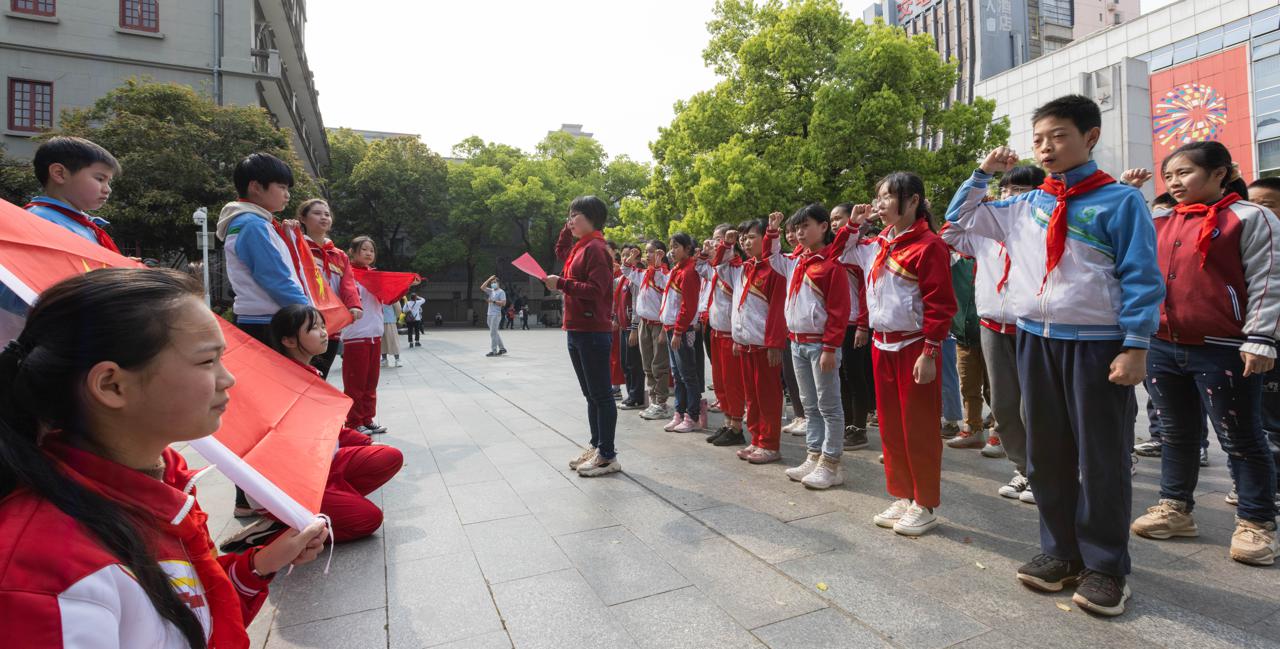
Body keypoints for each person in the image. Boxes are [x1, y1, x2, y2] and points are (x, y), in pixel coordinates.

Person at [0, 268, 327, 647]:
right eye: (207, 362)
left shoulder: (163, 481)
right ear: (112, 385)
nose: (228, 379)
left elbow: (193, 614)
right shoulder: (45, 573)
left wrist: (262, 564)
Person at [946, 95, 1165, 616]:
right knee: (1046, 454)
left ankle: (1106, 566)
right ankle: (1060, 551)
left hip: (1097, 345)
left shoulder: (1119, 201)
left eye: (1059, 135)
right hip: (1035, 341)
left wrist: (1136, 344)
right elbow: (956, 225)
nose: (1046, 147)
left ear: (1089, 137)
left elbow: (1141, 276)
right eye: (1039, 138)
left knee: (1102, 457)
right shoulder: (1024, 205)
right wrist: (980, 174)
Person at [1128, 141, 1279, 566]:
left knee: (1241, 437)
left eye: (1185, 173)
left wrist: (1260, 338)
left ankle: (1256, 521)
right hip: (1162, 343)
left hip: (1225, 348)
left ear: (1221, 173)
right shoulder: (1159, 219)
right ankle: (1176, 508)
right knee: (1175, 434)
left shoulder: (1250, 217)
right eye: (1170, 175)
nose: (1175, 183)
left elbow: (1269, 279)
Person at [222, 304, 403, 548]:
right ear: (288, 340)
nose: (323, 333)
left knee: (388, 456)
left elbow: (325, 428)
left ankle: (316, 510)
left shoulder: (309, 373)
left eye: (322, 325)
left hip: (322, 465)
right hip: (291, 482)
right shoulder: (279, 381)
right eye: (313, 328)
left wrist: (360, 441)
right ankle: (279, 530)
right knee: (368, 520)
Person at [837, 174, 956, 536]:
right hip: (881, 345)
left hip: (914, 346)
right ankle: (903, 496)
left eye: (889, 196)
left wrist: (931, 351)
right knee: (891, 428)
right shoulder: (877, 244)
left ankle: (925, 503)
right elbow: (838, 254)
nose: (881, 203)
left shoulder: (929, 246)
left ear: (914, 201)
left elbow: (940, 304)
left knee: (918, 428)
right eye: (879, 196)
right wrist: (853, 225)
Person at [942, 165, 1043, 502]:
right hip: (992, 326)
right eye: (1006, 190)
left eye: (1020, 190)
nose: (1010, 196)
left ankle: (1045, 473)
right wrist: (980, 177)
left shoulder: (1041, 229)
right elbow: (951, 226)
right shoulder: (984, 233)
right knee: (1003, 404)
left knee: (1036, 408)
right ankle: (1023, 469)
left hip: (1033, 327)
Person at [769, 204, 852, 490]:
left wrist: (830, 347)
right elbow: (772, 256)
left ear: (824, 227)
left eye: (806, 226)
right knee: (809, 405)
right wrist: (773, 230)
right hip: (798, 342)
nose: (800, 233)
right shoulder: (798, 261)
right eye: (796, 228)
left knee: (829, 405)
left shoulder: (831, 266)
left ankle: (831, 463)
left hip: (820, 345)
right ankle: (813, 455)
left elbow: (839, 312)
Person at [545, 196, 621, 477]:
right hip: (577, 329)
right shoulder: (580, 247)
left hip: (592, 331)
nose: (570, 220)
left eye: (574, 215)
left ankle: (608, 455)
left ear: (590, 217)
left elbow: (597, 290)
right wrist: (567, 227)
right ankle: (596, 446)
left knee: (601, 395)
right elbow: (561, 248)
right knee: (591, 394)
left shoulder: (597, 249)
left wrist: (561, 283)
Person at [216, 153, 310, 346]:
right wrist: (308, 311)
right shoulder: (253, 225)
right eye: (282, 187)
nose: (287, 194)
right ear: (256, 187)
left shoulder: (250, 222)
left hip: (259, 318)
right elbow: (274, 277)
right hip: (266, 322)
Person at [721, 221, 788, 464]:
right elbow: (717, 265)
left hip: (764, 345)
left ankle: (770, 444)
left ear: (764, 239)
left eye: (751, 237)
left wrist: (774, 343)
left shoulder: (775, 269)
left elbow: (778, 310)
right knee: (752, 396)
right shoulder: (744, 268)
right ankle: (757, 439)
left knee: (767, 396)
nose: (746, 243)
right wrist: (738, 337)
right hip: (746, 343)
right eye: (743, 239)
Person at [297, 198, 363, 378]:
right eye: (317, 214)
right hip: (304, 320)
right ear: (302, 218)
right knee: (302, 375)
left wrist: (354, 305)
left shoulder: (339, 255)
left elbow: (348, 284)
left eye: (327, 214)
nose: (323, 218)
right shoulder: (296, 246)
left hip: (331, 325)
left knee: (321, 375)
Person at [24, 136, 123, 251]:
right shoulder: (39, 221)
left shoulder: (80, 223)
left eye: (108, 182)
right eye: (100, 179)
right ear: (59, 174)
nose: (108, 189)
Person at [830, 204, 874, 452]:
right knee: (842, 377)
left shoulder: (862, 250)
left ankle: (859, 428)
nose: (835, 223)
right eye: (832, 219)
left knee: (855, 376)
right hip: (839, 323)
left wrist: (863, 325)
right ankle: (847, 424)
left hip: (856, 323)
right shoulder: (840, 251)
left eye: (839, 218)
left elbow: (865, 291)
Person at [658, 233, 706, 433]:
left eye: (676, 246)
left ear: (688, 249)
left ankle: (692, 415)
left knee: (688, 374)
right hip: (671, 329)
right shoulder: (677, 270)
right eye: (671, 246)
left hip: (682, 330)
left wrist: (678, 331)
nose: (672, 250)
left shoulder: (689, 271)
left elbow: (688, 305)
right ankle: (679, 411)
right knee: (677, 375)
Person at [704, 224, 748, 446]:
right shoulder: (718, 268)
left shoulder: (736, 267)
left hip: (731, 335)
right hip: (716, 332)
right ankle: (728, 422)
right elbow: (704, 261)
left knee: (733, 383)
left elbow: (721, 257)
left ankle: (737, 426)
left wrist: (727, 245)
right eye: (714, 239)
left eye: (719, 239)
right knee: (720, 382)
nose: (714, 244)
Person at [942, 251, 990, 451]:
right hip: (964, 334)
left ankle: (998, 435)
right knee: (968, 386)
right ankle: (972, 429)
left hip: (990, 332)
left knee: (993, 389)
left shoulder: (990, 254)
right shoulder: (954, 260)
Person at [621, 240, 673, 420]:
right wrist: (631, 258)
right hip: (644, 323)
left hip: (659, 325)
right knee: (647, 365)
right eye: (646, 252)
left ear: (662, 254)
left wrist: (666, 330)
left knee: (659, 365)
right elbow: (626, 271)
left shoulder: (667, 274)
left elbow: (664, 284)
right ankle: (653, 401)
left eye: (652, 252)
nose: (647, 255)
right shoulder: (643, 274)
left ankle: (662, 403)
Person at [342, 236, 389, 435]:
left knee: (371, 381)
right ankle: (354, 421)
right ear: (352, 252)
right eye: (364, 250)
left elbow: (387, 297)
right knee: (356, 382)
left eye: (371, 250)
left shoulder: (375, 276)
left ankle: (368, 418)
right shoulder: (346, 274)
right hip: (356, 336)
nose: (369, 253)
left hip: (374, 334)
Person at [780, 223, 809, 436]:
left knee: (812, 386)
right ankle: (800, 415)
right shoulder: (791, 260)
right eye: (788, 232)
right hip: (791, 327)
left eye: (798, 229)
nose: (793, 235)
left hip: (811, 332)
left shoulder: (813, 258)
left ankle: (809, 417)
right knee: (791, 375)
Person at [617, 243, 647, 409]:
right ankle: (630, 395)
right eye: (623, 255)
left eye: (629, 255)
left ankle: (636, 397)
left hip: (632, 326)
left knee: (634, 363)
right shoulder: (623, 278)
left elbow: (636, 304)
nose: (625, 258)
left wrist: (635, 328)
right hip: (623, 326)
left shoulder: (636, 278)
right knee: (625, 363)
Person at [482, 276, 508, 357]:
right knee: (495, 332)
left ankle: (494, 351)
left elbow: (503, 303)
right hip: (489, 314)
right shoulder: (491, 291)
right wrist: (489, 279)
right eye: (492, 283)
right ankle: (502, 348)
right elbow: (482, 287)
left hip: (496, 315)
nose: (493, 284)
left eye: (494, 282)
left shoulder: (501, 292)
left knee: (493, 333)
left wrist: (493, 301)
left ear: (498, 283)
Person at [381, 300, 402, 368]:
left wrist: (394, 316)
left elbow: (398, 310)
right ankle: (384, 359)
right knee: (382, 342)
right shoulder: (377, 296)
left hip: (390, 321)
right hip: (379, 321)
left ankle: (397, 359)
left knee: (393, 340)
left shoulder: (393, 297)